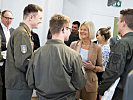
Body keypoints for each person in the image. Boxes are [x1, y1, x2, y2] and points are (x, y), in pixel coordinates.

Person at [26, 14, 87, 100]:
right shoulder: (74, 55)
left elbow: (30, 82)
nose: (70, 32)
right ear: (63, 29)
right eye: (69, 29)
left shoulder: (37, 54)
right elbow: (80, 83)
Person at [5, 4, 43, 100]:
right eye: (39, 18)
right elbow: (22, 62)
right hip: (19, 85)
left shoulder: (24, 33)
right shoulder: (22, 33)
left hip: (20, 84)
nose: (40, 21)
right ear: (31, 17)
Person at [98, 9, 133, 100]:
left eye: (119, 21)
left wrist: (101, 90)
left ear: (124, 23)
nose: (117, 24)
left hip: (121, 93)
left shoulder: (122, 44)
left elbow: (113, 71)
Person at [70, 21, 103, 100]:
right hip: (75, 82)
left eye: (85, 30)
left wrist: (92, 67)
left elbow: (101, 67)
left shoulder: (97, 48)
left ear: (90, 31)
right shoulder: (73, 45)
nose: (82, 31)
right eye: (81, 29)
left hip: (90, 83)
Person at [0, 10, 14, 100]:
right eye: (6, 18)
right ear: (1, 17)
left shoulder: (13, 31)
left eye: (10, 18)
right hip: (1, 63)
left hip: (9, 64)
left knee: (7, 85)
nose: (8, 20)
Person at [96, 27, 111, 100]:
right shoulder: (100, 46)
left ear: (102, 37)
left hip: (100, 74)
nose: (97, 37)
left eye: (98, 35)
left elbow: (100, 63)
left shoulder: (105, 49)